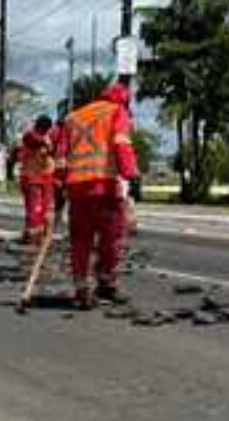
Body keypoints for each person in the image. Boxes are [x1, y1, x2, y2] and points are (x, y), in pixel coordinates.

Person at [60, 83, 139, 308]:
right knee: (111, 238)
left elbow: (61, 157)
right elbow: (121, 144)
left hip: (76, 190)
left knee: (80, 241)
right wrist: (131, 175)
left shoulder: (73, 118)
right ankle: (106, 283)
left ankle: (81, 289)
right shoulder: (117, 112)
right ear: (122, 101)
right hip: (105, 187)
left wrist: (59, 186)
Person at [16, 115, 57, 243]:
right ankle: (33, 236)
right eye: (46, 129)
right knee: (34, 209)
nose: (47, 132)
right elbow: (34, 140)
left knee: (43, 209)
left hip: (43, 179)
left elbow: (49, 152)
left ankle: (34, 234)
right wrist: (47, 144)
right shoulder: (30, 135)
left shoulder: (45, 138)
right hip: (32, 179)